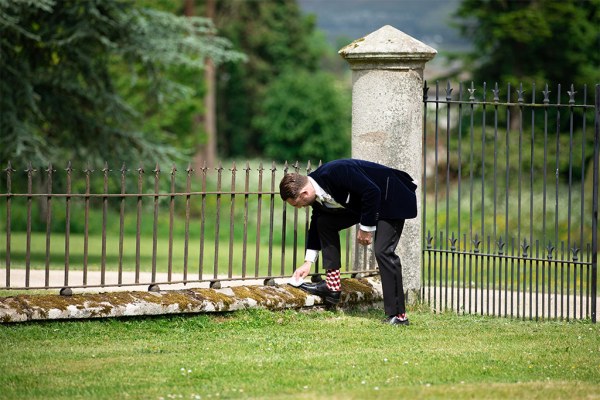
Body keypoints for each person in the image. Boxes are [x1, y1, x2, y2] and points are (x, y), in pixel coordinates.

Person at [279, 158, 418, 326]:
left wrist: (366, 228)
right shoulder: (315, 187)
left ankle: (399, 316)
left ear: (304, 194)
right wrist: (308, 262)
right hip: (364, 205)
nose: (300, 207)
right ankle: (332, 286)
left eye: (297, 204)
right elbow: (317, 222)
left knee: (383, 251)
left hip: (391, 197)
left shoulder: (336, 172)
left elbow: (372, 191)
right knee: (324, 222)